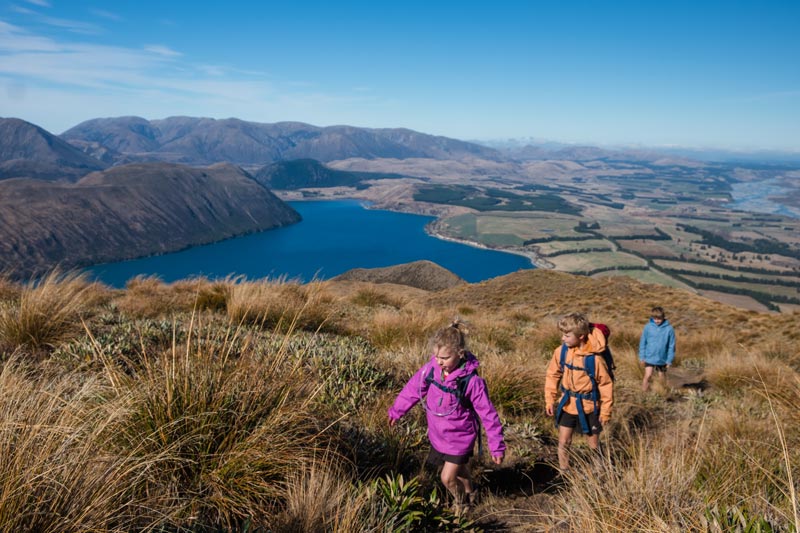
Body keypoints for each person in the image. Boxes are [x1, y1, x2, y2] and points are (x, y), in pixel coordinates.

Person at [388, 321, 505, 516]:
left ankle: (461, 503)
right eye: (436, 356)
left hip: (460, 438)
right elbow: (412, 389)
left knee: (447, 478)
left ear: (460, 353)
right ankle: (471, 490)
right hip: (438, 434)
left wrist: (497, 445)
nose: (439, 361)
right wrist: (396, 411)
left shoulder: (472, 382)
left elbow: (488, 414)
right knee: (458, 471)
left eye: (445, 357)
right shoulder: (432, 369)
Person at [544, 312, 613, 471]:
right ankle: (564, 472)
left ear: (581, 336)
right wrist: (550, 399)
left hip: (590, 407)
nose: (563, 338)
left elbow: (605, 385)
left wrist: (605, 412)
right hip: (568, 404)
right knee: (563, 442)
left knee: (593, 444)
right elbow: (552, 375)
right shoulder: (561, 352)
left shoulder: (594, 359)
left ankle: (599, 472)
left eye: (567, 335)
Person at [639, 306, 676, 392]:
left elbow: (671, 346)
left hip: (662, 358)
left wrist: (669, 360)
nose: (657, 320)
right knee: (648, 375)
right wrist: (642, 357)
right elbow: (643, 342)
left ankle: (662, 393)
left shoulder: (669, 329)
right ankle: (644, 393)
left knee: (662, 377)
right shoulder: (648, 327)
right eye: (654, 318)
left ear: (663, 317)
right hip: (649, 357)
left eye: (659, 318)